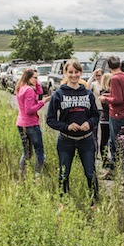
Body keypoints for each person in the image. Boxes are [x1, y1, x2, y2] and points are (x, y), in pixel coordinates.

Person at [46, 60, 100, 207]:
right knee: (64, 173)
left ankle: (94, 203)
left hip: (86, 140)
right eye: (70, 72)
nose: (74, 75)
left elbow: (96, 115)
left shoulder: (88, 94)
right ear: (65, 73)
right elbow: (50, 120)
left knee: (90, 172)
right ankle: (63, 203)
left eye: (76, 72)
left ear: (81, 73)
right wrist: (67, 126)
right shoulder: (58, 94)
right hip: (66, 140)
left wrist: (89, 123)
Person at [100, 56, 124, 181]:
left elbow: (118, 99)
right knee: (113, 144)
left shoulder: (114, 78)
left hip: (117, 115)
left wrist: (105, 99)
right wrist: (108, 94)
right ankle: (112, 171)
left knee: (120, 145)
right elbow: (122, 95)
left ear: (108, 66)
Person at [15, 68, 50, 176]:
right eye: (34, 78)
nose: (36, 80)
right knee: (39, 151)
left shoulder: (21, 87)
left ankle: (21, 172)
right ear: (28, 77)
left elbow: (40, 92)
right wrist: (42, 102)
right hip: (31, 124)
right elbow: (29, 110)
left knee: (27, 152)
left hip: (21, 123)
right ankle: (38, 174)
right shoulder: (29, 90)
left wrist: (36, 83)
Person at [98, 73, 112, 163]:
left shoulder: (102, 91)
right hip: (108, 118)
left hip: (104, 118)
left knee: (104, 139)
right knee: (106, 140)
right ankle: (105, 159)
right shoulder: (106, 92)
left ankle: (104, 159)